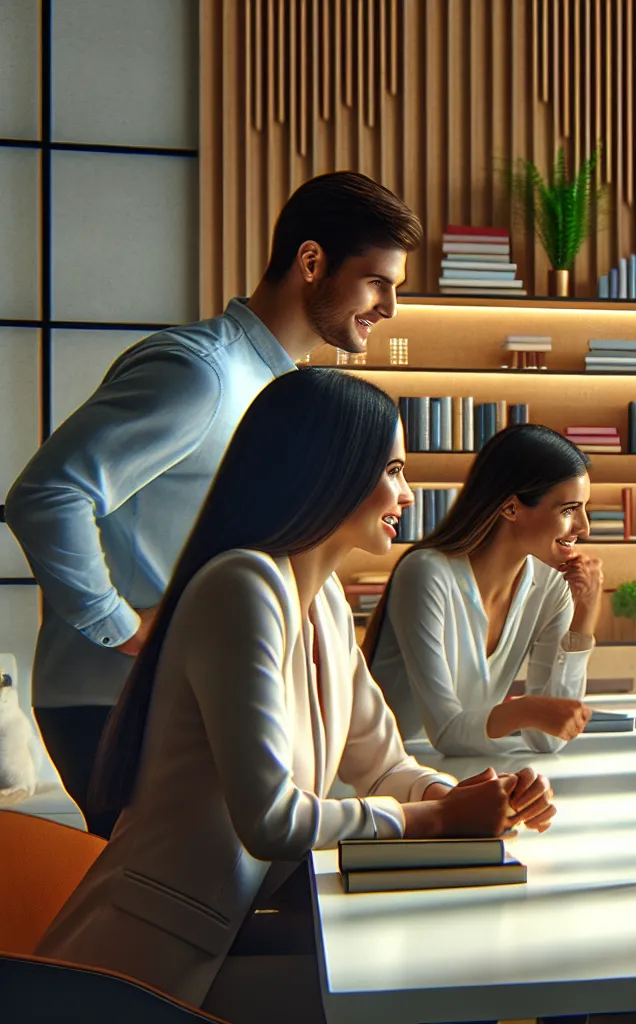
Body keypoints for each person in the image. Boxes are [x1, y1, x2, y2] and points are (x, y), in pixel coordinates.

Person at [35, 369, 555, 1022]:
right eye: (393, 470)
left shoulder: (325, 601)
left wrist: (458, 798)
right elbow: (271, 820)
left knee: (448, 977)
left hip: (230, 935)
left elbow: (383, 766)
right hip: (152, 968)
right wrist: (434, 821)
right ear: (329, 468)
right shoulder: (241, 588)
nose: (408, 494)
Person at [7, 172, 421, 835]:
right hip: (116, 702)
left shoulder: (287, 392)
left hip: (196, 696)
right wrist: (126, 628)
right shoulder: (202, 374)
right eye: (379, 282)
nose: (391, 307)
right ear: (311, 262)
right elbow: (46, 494)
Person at [363, 424, 603, 755]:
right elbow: (446, 733)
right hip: (384, 777)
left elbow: (548, 739)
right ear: (511, 508)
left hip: (468, 772)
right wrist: (527, 709)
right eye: (568, 510)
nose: (584, 528)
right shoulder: (427, 574)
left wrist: (584, 618)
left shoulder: (551, 587)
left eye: (583, 509)